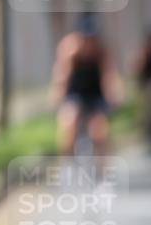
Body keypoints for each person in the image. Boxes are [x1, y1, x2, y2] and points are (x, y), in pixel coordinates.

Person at [51, 14, 123, 156]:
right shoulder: (69, 49)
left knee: (99, 130)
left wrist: (115, 95)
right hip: (75, 93)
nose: (89, 43)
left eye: (92, 39)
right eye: (86, 39)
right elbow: (62, 77)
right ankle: (68, 162)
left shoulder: (102, 51)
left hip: (96, 94)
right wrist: (58, 97)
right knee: (70, 124)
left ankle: (103, 171)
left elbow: (110, 76)